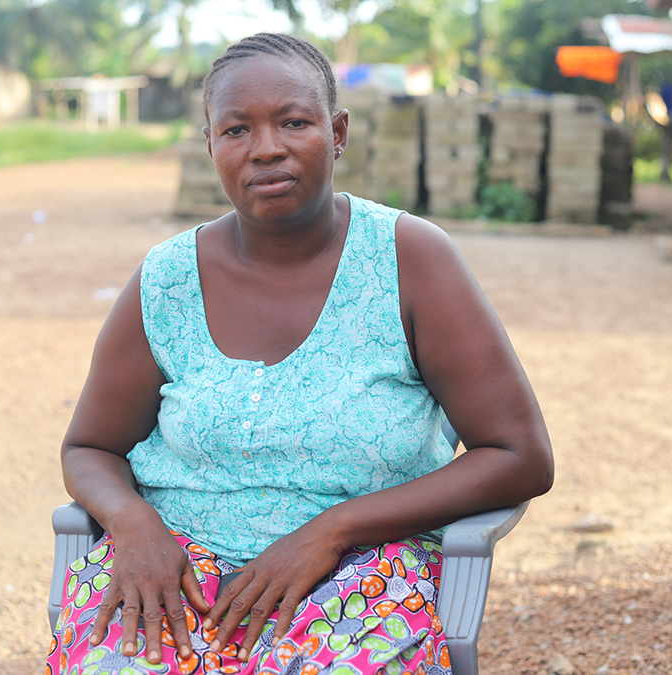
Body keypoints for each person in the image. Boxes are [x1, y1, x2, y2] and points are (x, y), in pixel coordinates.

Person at [47, 32, 553, 675]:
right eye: (236, 130)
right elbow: (89, 447)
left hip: (362, 574)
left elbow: (519, 456)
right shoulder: (166, 280)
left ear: (336, 132)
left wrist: (332, 530)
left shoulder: (410, 260)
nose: (266, 148)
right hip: (177, 569)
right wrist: (133, 524)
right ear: (210, 145)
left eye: (294, 121)